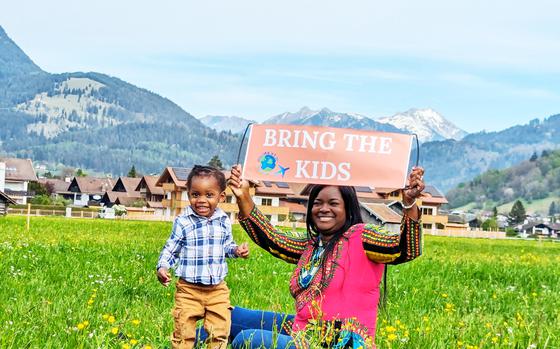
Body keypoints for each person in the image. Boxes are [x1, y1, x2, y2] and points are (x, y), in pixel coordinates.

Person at [226, 164, 425, 349]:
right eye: (317, 203)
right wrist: (243, 195)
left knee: (247, 339)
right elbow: (273, 239)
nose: (323, 209)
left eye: (333, 203)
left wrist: (410, 204)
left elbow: (405, 249)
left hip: (339, 342)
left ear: (347, 208)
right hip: (306, 329)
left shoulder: (362, 237)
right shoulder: (313, 245)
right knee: (226, 317)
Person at [156, 165, 250, 349]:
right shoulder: (183, 222)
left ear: (221, 197)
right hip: (188, 290)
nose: (201, 200)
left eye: (209, 195)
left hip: (217, 290)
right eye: (195, 194)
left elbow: (225, 247)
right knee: (183, 333)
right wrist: (162, 267)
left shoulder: (223, 220)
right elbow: (171, 248)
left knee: (220, 332)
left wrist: (236, 250)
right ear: (188, 194)